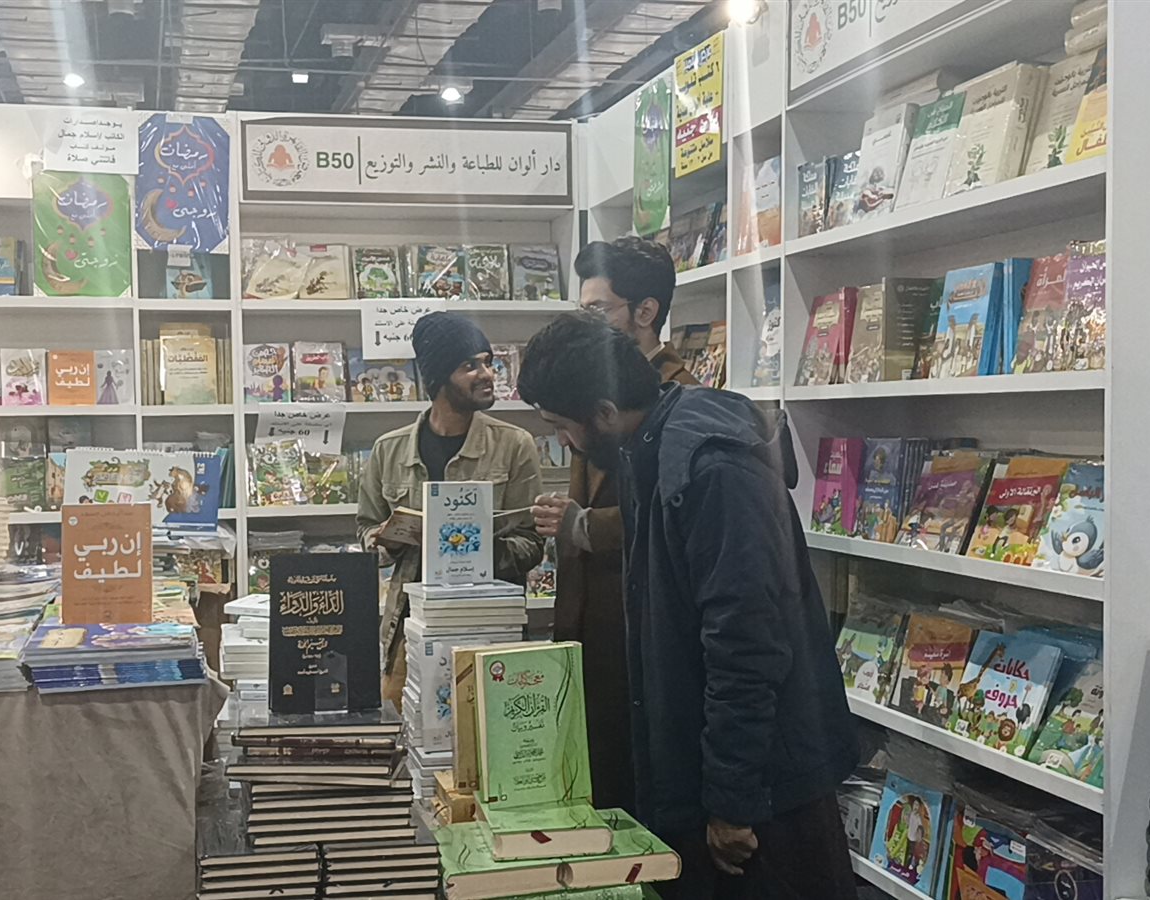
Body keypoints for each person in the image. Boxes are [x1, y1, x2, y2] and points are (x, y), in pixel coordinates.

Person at [517, 312, 859, 900]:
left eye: (561, 427)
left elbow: (745, 647)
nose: (565, 443)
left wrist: (731, 802)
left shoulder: (710, 470)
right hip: (718, 771)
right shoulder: (652, 451)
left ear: (604, 412)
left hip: (767, 790)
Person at [529, 236, 692, 812]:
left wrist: (584, 527)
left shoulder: (680, 401)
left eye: (599, 310)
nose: (588, 324)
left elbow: (675, 515)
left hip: (640, 627)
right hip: (589, 620)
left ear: (645, 311)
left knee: (635, 789)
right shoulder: (584, 380)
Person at [357, 312, 544, 707]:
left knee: (489, 732)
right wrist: (386, 540)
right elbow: (366, 532)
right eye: (469, 365)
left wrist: (472, 550)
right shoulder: (389, 450)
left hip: (490, 632)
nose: (487, 374)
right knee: (405, 732)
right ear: (439, 377)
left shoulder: (514, 445)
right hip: (410, 630)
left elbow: (532, 543)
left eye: (488, 362)